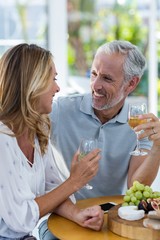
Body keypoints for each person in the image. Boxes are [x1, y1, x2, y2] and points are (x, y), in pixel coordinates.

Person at [0, 44, 104, 240]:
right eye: (53, 79)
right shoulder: (3, 138)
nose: (57, 88)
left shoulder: (38, 129)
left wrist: (78, 215)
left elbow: (52, 188)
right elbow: (21, 219)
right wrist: (75, 181)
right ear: (33, 83)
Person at [50, 40, 160, 201]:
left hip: (109, 216)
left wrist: (157, 147)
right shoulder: (60, 110)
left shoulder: (140, 123)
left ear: (131, 83)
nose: (95, 85)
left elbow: (137, 186)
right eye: (94, 74)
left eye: (107, 79)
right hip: (62, 216)